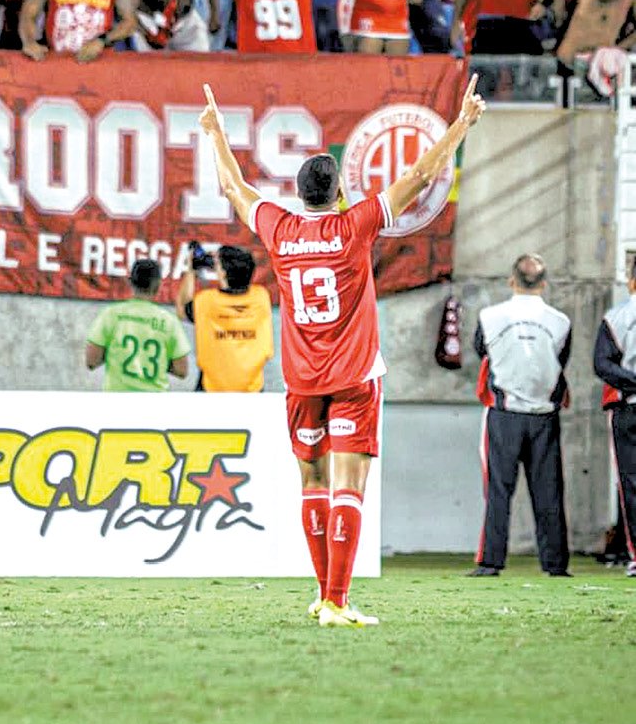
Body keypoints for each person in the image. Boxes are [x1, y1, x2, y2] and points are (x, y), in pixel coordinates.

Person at [199, 74, 487, 625]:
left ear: (298, 193)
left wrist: (215, 133)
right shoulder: (356, 225)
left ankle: (323, 595)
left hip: (302, 380)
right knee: (348, 487)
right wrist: (460, 126)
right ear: (337, 194)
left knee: (311, 482)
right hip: (354, 377)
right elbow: (419, 176)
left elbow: (234, 189)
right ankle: (336, 599)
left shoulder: (279, 228)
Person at [472, 255, 572, 579]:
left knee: (498, 491)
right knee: (549, 491)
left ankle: (490, 562)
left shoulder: (489, 316)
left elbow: (481, 351)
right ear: (544, 284)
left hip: (504, 413)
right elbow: (562, 360)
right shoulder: (561, 321)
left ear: (511, 281)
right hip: (544, 415)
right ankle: (555, 565)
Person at [177, 244, 273, 393]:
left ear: (222, 273)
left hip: (212, 389)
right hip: (252, 390)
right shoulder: (261, 297)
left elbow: (182, 309)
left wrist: (191, 270)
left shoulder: (207, 301)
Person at [85, 258, 191, 393]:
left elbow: (91, 362)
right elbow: (181, 370)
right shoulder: (169, 321)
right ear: (159, 285)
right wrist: (159, 361)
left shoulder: (110, 315)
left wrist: (115, 355)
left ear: (130, 282)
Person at [593, 255, 636, 578]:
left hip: (629, 407)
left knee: (631, 484)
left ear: (631, 280)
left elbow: (602, 364)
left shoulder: (617, 316)